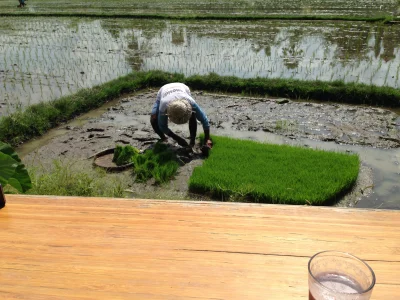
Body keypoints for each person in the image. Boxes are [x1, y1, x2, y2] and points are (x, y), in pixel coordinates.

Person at [150, 82, 212, 149]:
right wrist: (177, 138)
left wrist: (207, 138)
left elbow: (205, 120)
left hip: (182, 88)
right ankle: (164, 139)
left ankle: (192, 141)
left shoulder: (191, 102)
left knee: (192, 114)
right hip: (164, 90)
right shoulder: (163, 105)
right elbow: (162, 126)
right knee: (153, 118)